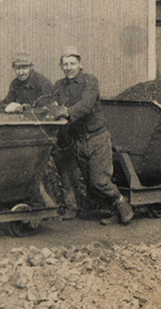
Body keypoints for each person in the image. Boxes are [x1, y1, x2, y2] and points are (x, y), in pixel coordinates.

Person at [46, 46, 134, 225]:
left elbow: (86, 105)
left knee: (100, 180)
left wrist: (65, 111)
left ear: (80, 64)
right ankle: (111, 211)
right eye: (65, 64)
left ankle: (123, 204)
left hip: (97, 138)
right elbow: (52, 104)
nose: (69, 67)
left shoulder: (90, 81)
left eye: (72, 63)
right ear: (61, 66)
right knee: (91, 184)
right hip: (78, 141)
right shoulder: (59, 86)